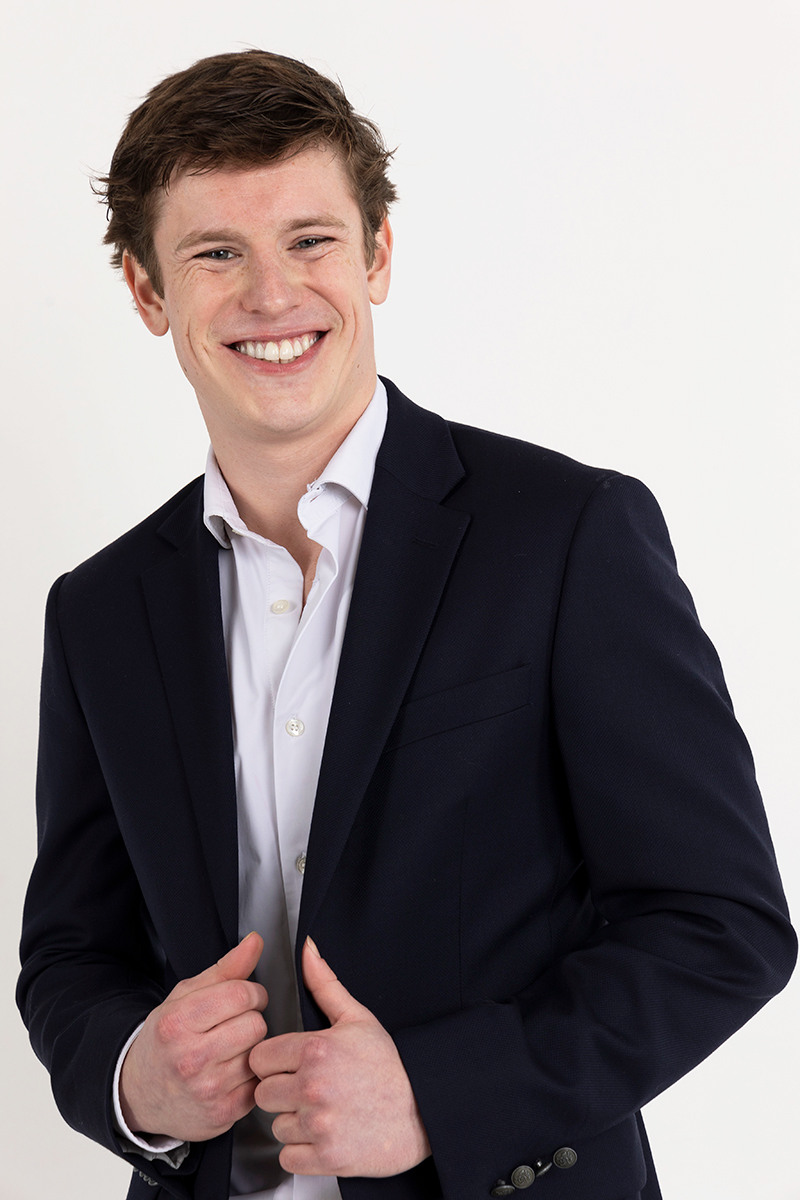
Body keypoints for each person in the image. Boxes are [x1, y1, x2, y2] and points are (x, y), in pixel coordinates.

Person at [17, 48, 795, 1200]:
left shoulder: (564, 534)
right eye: (216, 253)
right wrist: (135, 1078)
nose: (271, 295)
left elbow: (718, 924)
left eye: (310, 240)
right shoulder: (98, 609)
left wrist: (442, 1091)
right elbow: (73, 955)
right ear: (147, 291)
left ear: (376, 254)